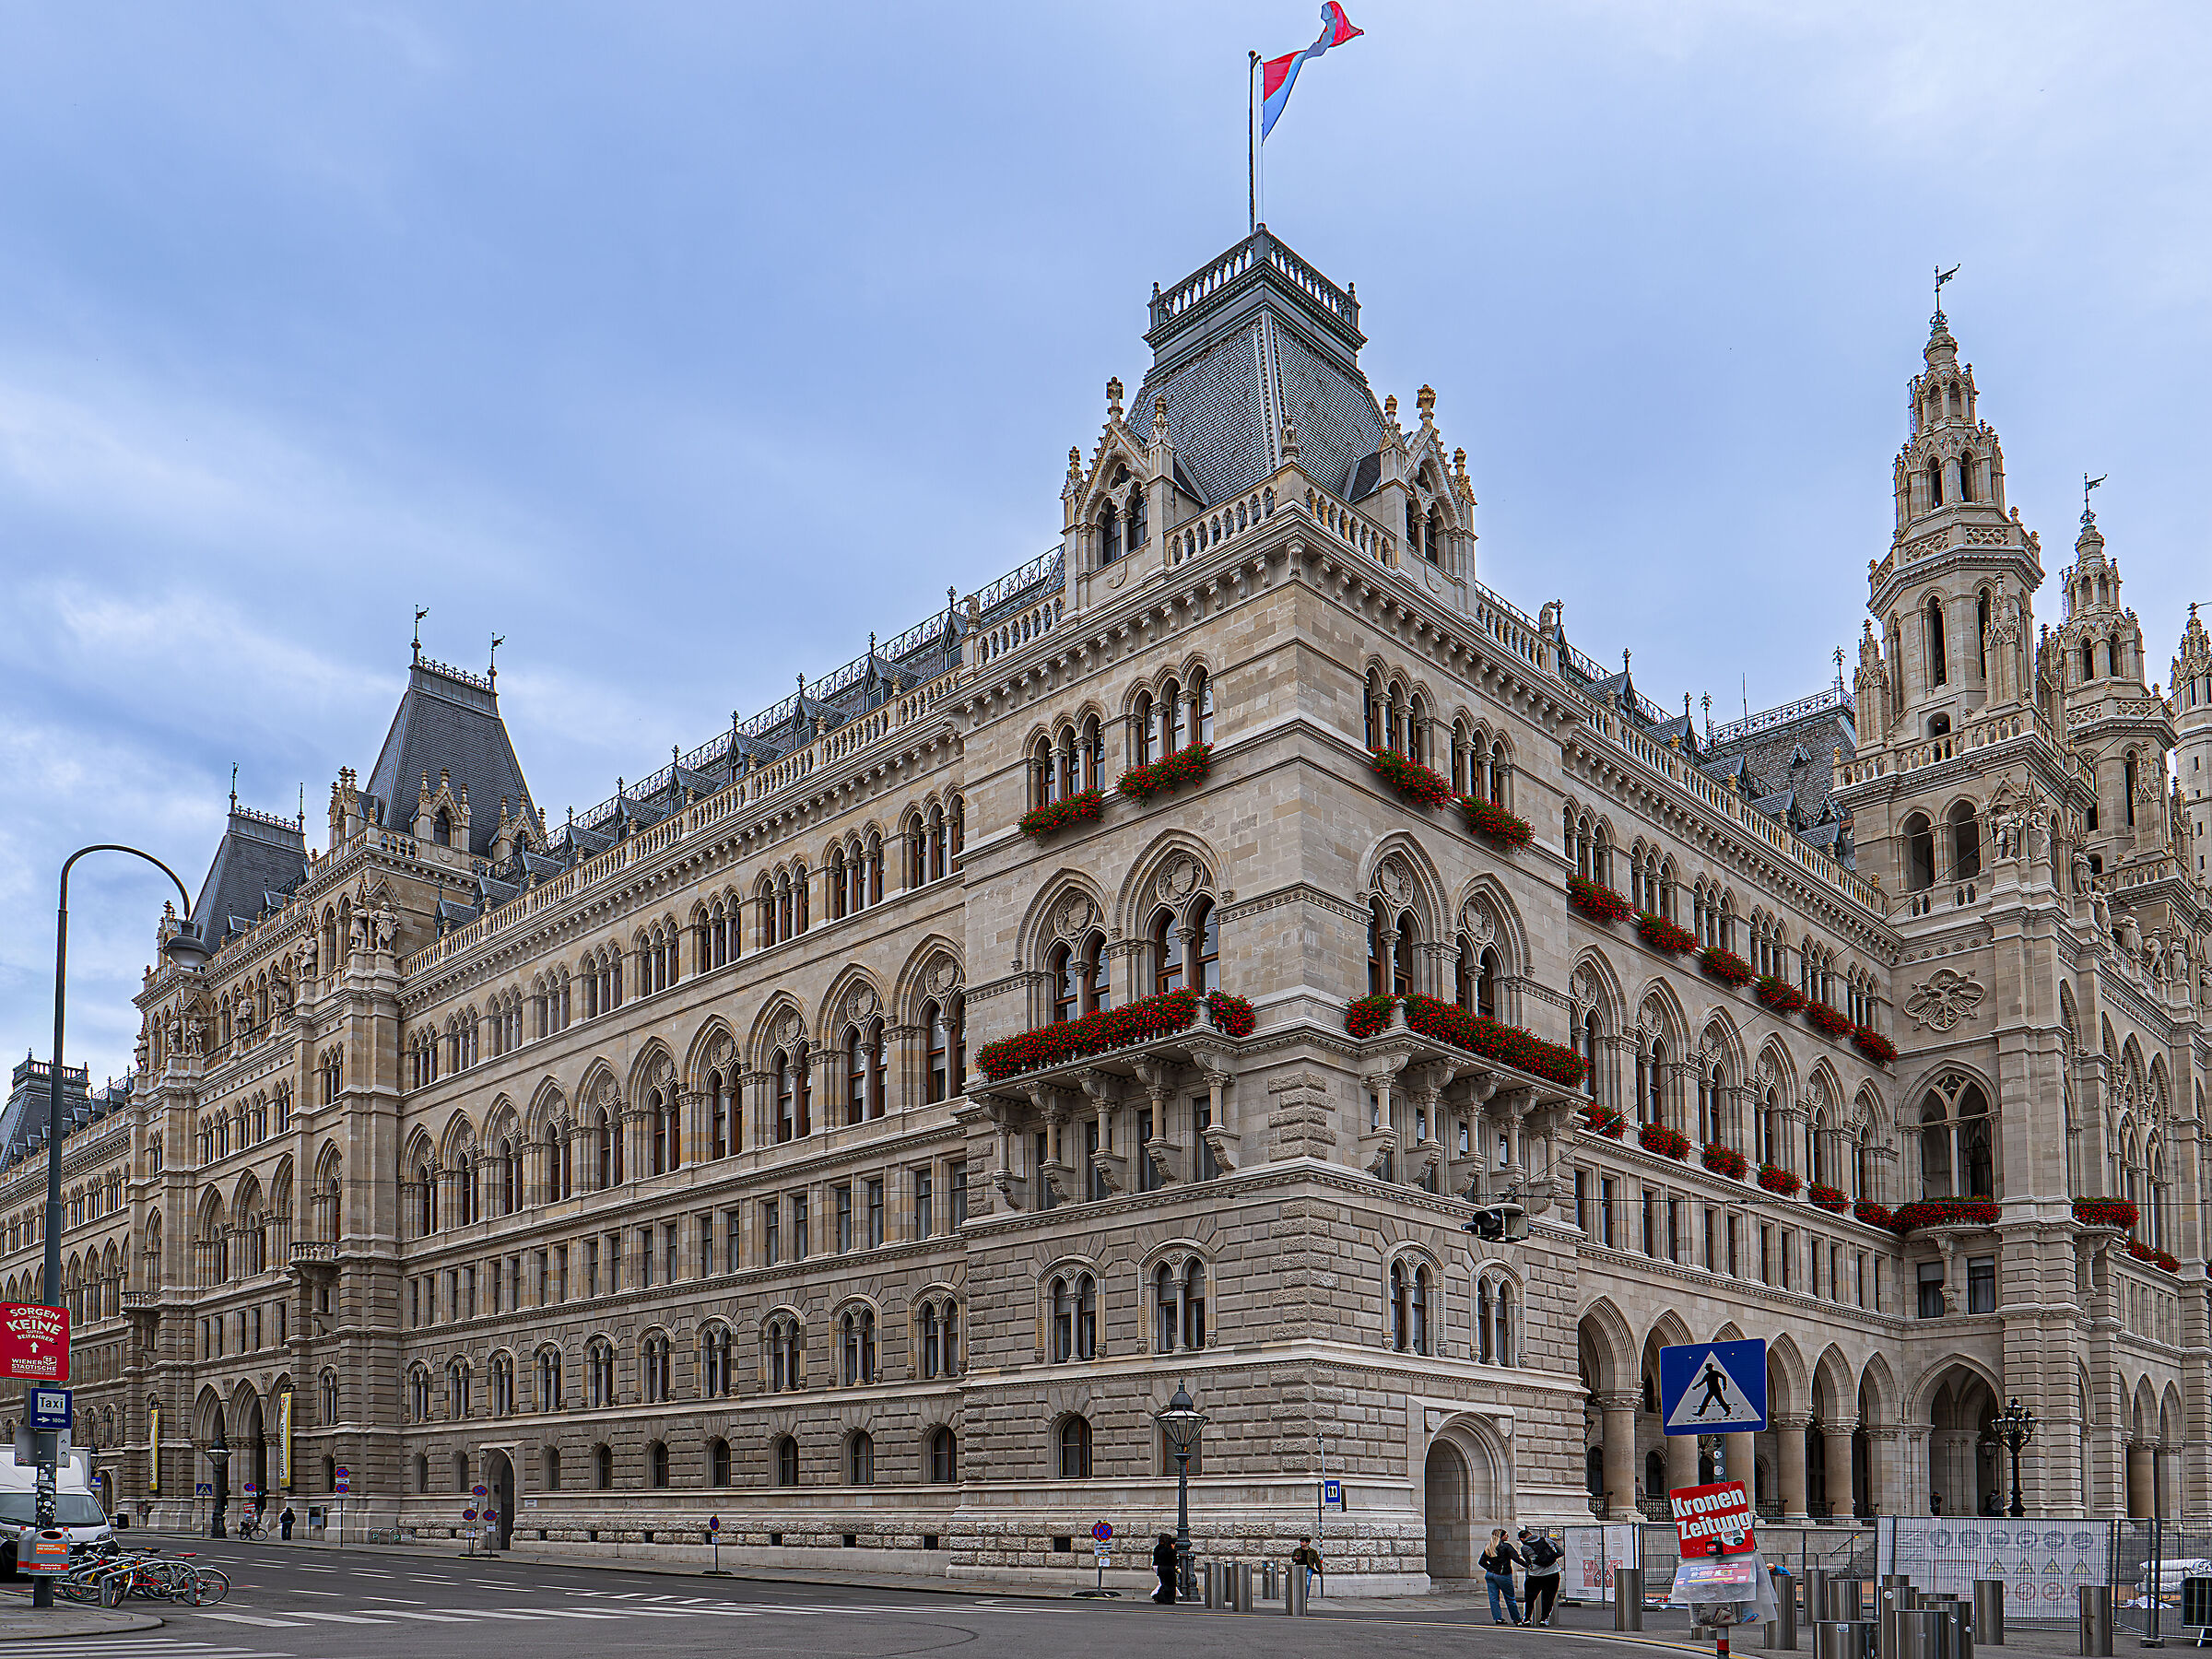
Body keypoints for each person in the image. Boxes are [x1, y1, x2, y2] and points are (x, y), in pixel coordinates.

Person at [1479, 1527, 1524, 1626]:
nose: (1508, 1536)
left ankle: (1498, 1618)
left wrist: (1490, 1568)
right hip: (1503, 1574)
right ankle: (1517, 1619)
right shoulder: (1506, 1546)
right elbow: (1516, 1558)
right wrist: (1527, 1565)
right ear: (1501, 1536)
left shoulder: (1489, 1547)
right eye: (1506, 1534)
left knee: (1493, 1598)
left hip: (1490, 1574)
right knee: (1510, 1598)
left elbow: (1481, 1562)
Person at [1519, 1526, 1562, 1626]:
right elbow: (1561, 1552)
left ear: (1522, 1539)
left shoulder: (1524, 1547)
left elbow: (1528, 1561)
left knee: (1529, 1598)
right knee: (1549, 1598)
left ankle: (1526, 1619)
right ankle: (1544, 1619)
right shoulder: (1547, 1540)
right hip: (1553, 1573)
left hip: (1535, 1575)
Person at [1291, 1535, 1323, 1599]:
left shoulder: (1312, 1552)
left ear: (1307, 1543)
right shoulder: (1297, 1550)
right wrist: (1296, 1558)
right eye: (1301, 1542)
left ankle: (1305, 1598)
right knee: (1298, 1583)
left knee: (1307, 1583)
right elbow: (1293, 1559)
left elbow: (1317, 1561)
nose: (1301, 1543)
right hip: (1299, 1568)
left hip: (1308, 1568)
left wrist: (1320, 1570)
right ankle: (1299, 1596)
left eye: (1303, 1542)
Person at [1151, 1533, 1178, 1605]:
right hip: (1168, 1568)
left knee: (1164, 1583)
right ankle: (1167, 1599)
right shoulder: (1169, 1550)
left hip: (1160, 1567)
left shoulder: (1158, 1548)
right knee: (1170, 1584)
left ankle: (1160, 1597)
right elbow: (1174, 1560)